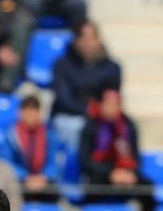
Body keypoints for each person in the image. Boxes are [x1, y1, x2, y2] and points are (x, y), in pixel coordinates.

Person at [79, 89, 156, 211]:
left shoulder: (128, 125)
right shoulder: (91, 126)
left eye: (115, 104)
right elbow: (85, 161)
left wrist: (128, 172)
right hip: (100, 174)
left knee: (148, 188)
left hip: (125, 173)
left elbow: (136, 157)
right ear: (101, 105)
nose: (112, 108)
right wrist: (110, 173)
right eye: (108, 104)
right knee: (91, 187)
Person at [51, 21, 121, 151]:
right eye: (83, 38)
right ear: (76, 41)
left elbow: (112, 97)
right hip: (69, 116)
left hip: (100, 117)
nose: (87, 43)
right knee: (79, 128)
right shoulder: (62, 65)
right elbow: (64, 99)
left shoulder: (112, 68)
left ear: (98, 39)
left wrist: (101, 111)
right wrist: (88, 110)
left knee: (123, 127)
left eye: (91, 38)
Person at [6, 94, 62, 202]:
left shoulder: (50, 133)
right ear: (20, 112)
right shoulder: (10, 135)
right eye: (27, 111)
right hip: (20, 180)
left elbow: (54, 161)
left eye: (34, 111)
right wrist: (26, 177)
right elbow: (7, 162)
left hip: (44, 181)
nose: (30, 115)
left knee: (54, 191)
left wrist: (44, 177)